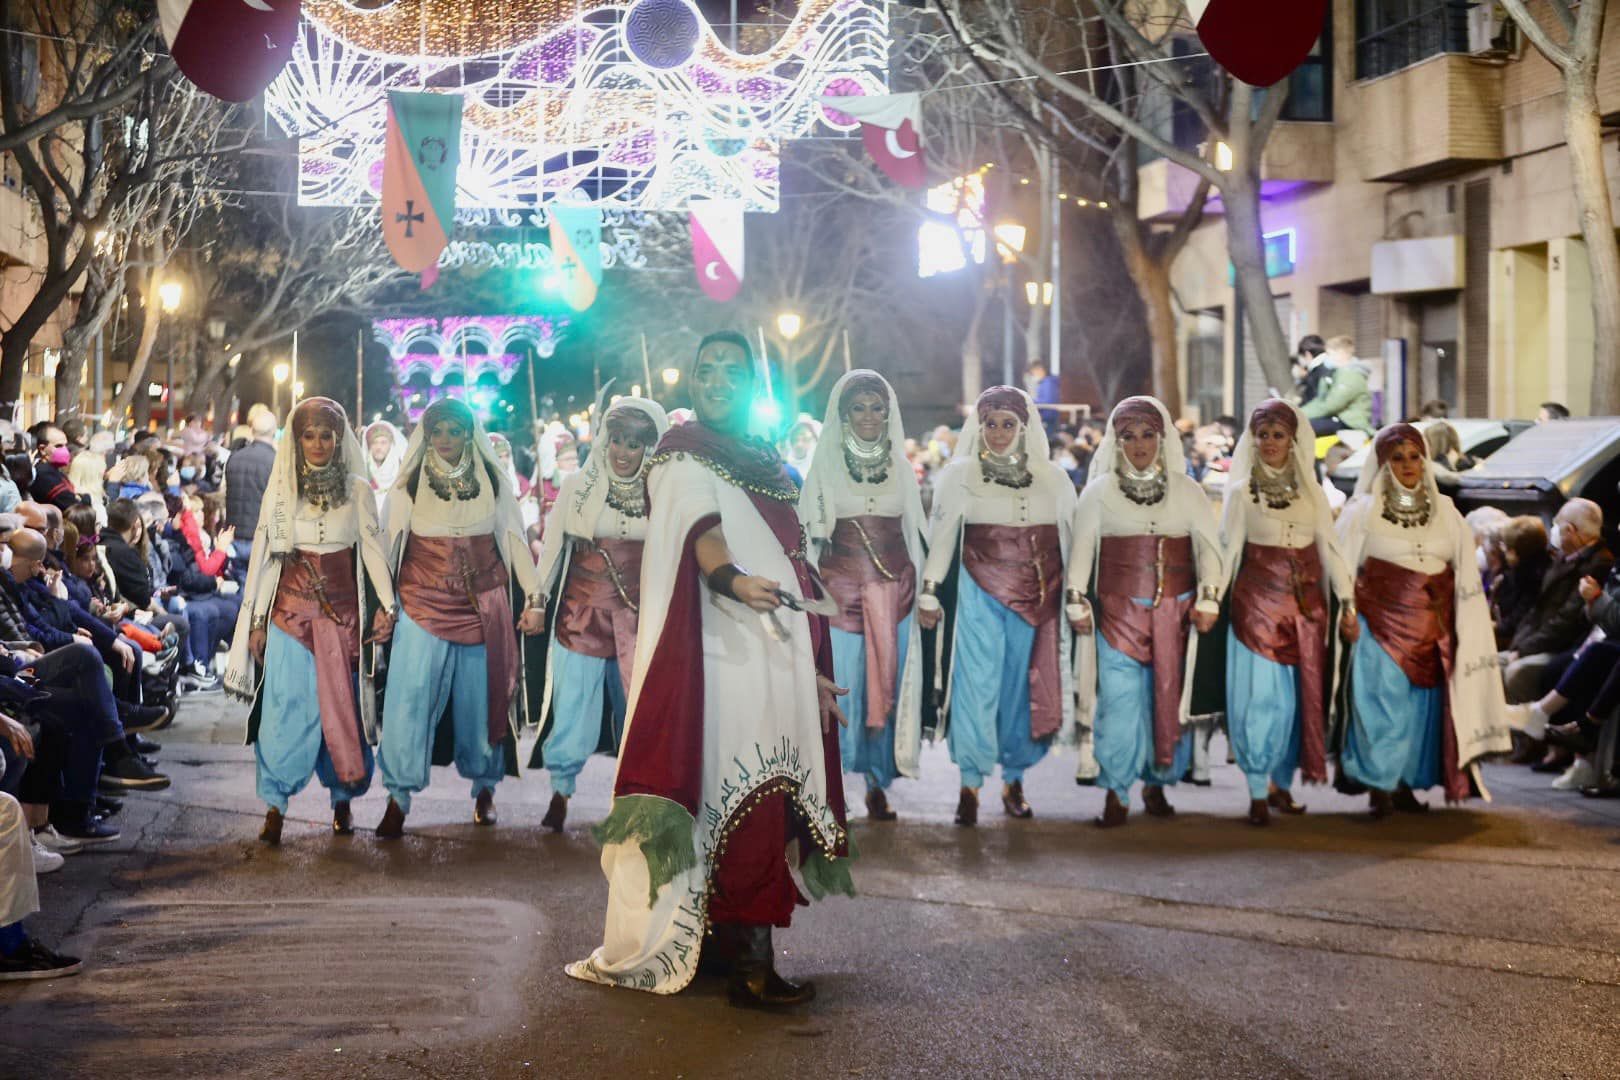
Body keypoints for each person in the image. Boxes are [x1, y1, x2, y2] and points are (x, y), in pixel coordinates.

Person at [568, 331, 852, 1009]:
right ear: (691, 380)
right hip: (721, 657)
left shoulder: (768, 463)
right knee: (747, 794)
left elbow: (793, 561)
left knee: (762, 793)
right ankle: (752, 967)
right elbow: (703, 535)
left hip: (775, 654)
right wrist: (734, 581)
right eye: (707, 369)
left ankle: (725, 947)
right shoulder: (683, 453)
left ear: (753, 384)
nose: (718, 378)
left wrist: (809, 668)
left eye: (733, 369)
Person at [223, 398, 397, 845]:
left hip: (342, 618)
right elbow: (265, 560)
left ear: (339, 440)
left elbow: (373, 551)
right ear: (296, 440)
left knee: (341, 710)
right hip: (289, 617)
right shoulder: (280, 489)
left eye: (326, 435)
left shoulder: (359, 489)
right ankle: (275, 806)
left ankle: (342, 800)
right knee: (284, 709)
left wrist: (388, 607)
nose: (318, 443)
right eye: (309, 434)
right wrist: (259, 620)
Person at [375, 399, 544, 838]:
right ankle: (398, 797)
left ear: (470, 433)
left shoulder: (492, 480)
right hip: (421, 599)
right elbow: (387, 549)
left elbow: (514, 540)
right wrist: (382, 605)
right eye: (438, 432)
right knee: (408, 701)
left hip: (482, 605)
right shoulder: (407, 485)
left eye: (455, 431)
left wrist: (536, 597)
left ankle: (485, 788)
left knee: (480, 702)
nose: (446, 440)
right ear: (426, 435)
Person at [1334, 424, 1511, 816]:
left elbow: (1465, 574)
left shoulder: (1446, 511)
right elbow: (1340, 565)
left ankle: (1402, 784)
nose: (1408, 465)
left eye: (1415, 456)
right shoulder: (1362, 510)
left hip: (1434, 629)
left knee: (1419, 711)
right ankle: (1378, 784)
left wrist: (1467, 627)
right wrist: (1346, 610)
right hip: (1378, 624)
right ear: (1382, 463)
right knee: (1381, 704)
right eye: (1397, 458)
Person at [918, 386, 1075, 825]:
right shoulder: (959, 474)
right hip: (978, 592)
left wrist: (1076, 596)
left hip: (1038, 600)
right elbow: (943, 533)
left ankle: (1015, 780)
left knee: (1021, 688)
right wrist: (930, 588)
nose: (999, 432)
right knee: (975, 685)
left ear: (1024, 428)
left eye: (1009, 424)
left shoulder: (1054, 477)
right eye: (991, 424)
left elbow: (1071, 539)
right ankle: (969, 785)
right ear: (979, 426)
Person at [1068, 397, 1223, 827]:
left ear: (1162, 438)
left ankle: (1158, 783)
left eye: (1148, 435)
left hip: (1176, 613)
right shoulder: (1098, 493)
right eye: (1129, 436)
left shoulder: (1189, 491)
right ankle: (1116, 792)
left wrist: (1209, 597)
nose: (1139, 445)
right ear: (1116, 442)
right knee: (1119, 702)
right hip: (1118, 614)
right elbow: (1083, 549)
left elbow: (1210, 551)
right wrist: (1075, 597)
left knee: (1167, 698)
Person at [528, 397, 668, 832]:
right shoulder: (577, 486)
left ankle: (635, 796)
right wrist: (536, 601)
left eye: (635, 444)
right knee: (573, 707)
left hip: (641, 618)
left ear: (651, 446)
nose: (624, 452)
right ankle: (561, 790)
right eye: (617, 441)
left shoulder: (665, 492)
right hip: (581, 613)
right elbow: (553, 550)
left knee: (640, 709)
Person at [1220, 401, 1356, 825]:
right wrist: (1210, 600)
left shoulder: (1313, 492)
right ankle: (1258, 788)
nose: (1270, 443)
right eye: (1263, 435)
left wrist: (1347, 603)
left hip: (1306, 610)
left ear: (1293, 440)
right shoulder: (1242, 492)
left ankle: (1281, 783)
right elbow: (1229, 552)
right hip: (1256, 606)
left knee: (1297, 704)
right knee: (1262, 701)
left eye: (1278, 435)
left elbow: (1329, 549)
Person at [799, 370, 926, 821]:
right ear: (843, 414)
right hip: (839, 598)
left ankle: (877, 784)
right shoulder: (825, 465)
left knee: (884, 686)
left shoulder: (901, 468)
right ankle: (829, 788)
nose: (869, 417)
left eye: (877, 408)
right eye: (859, 408)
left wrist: (925, 592)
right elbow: (810, 539)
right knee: (839, 689)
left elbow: (914, 532)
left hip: (895, 596)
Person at [1498, 500, 1611, 705]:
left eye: (1557, 525)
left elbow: (1566, 621)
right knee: (1487, 666)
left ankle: (1524, 733)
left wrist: (1523, 651)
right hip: (1535, 641)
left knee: (1516, 673)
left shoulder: (1598, 564)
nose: (1553, 531)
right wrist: (1519, 647)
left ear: (1570, 530)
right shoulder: (1562, 557)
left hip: (1562, 648)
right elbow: (1537, 610)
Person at [225, 405, 278, 568]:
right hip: (262, 539)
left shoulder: (234, 458)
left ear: (252, 431)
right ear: (274, 431)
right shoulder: (276, 462)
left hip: (235, 536)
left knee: (242, 585)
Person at [1300, 336, 1374, 437]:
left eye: (1329, 354)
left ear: (1341, 353)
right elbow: (1321, 400)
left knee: (1303, 428)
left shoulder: (1352, 376)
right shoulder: (1339, 374)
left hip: (1351, 422)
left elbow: (1331, 405)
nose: (1327, 358)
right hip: (1339, 418)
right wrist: (1297, 412)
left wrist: (1299, 414)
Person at [26, 424, 80, 511]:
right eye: (59, 446)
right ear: (42, 449)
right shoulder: (44, 474)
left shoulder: (54, 470)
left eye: (65, 445)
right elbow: (71, 504)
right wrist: (85, 498)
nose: (65, 450)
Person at [364, 420, 406, 511]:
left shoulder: (403, 472)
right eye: (374, 442)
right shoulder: (363, 472)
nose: (378, 447)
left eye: (383, 442)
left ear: (390, 445)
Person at [1025, 359, 1061, 435]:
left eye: (1033, 373)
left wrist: (1030, 401)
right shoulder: (1045, 383)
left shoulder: (1048, 383)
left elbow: (1048, 401)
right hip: (1048, 417)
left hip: (1048, 418)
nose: (1033, 375)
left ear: (1040, 370)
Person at [1293, 334, 1329, 407]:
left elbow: (1313, 400)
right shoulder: (1328, 365)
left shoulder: (1316, 372)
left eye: (1301, 357)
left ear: (1307, 354)